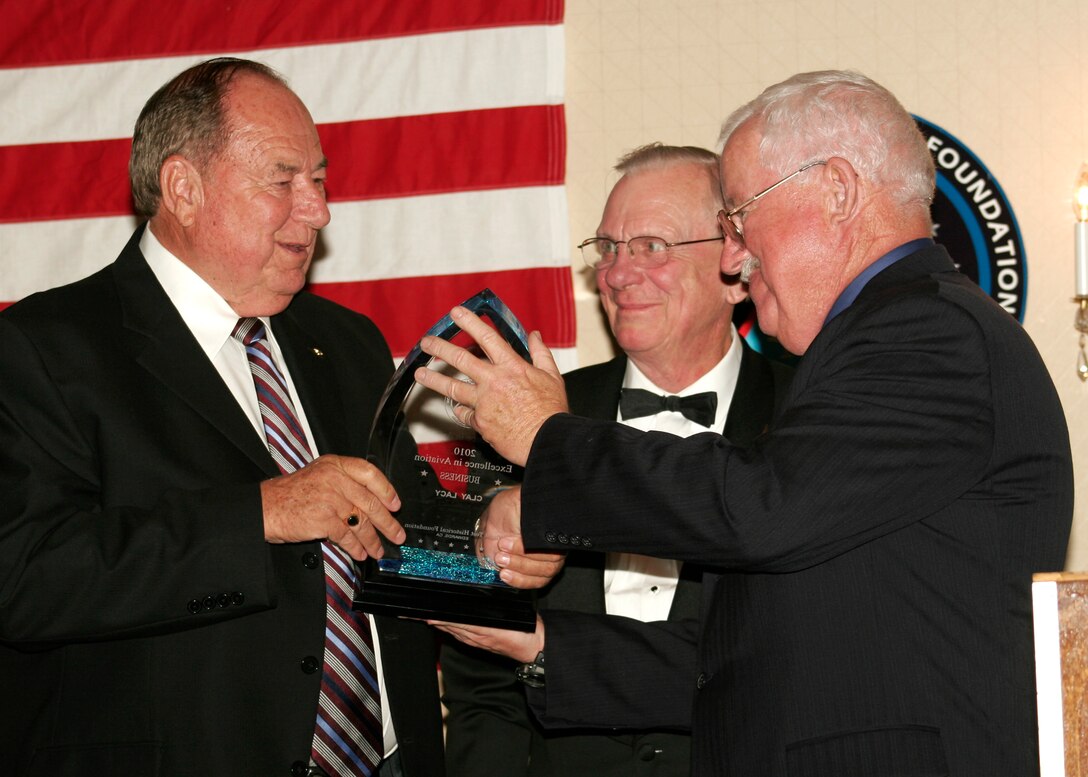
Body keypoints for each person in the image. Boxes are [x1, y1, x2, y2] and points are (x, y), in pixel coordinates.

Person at [414, 70, 1074, 777]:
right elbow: (757, 657)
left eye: (739, 215)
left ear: (838, 190)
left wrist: (550, 440)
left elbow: (757, 508)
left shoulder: (927, 330)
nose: (734, 255)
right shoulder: (884, 343)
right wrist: (541, 643)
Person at [0, 57, 454, 777]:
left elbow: (400, 533)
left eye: (320, 180)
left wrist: (501, 539)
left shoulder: (348, 342)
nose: (318, 210)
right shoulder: (44, 348)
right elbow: (23, 578)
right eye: (284, 181)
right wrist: (259, 515)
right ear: (183, 187)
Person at [438, 143, 792, 777]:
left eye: (653, 246)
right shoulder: (522, 417)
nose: (618, 274)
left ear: (735, 266)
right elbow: (480, 681)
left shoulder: (807, 417)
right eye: (608, 248)